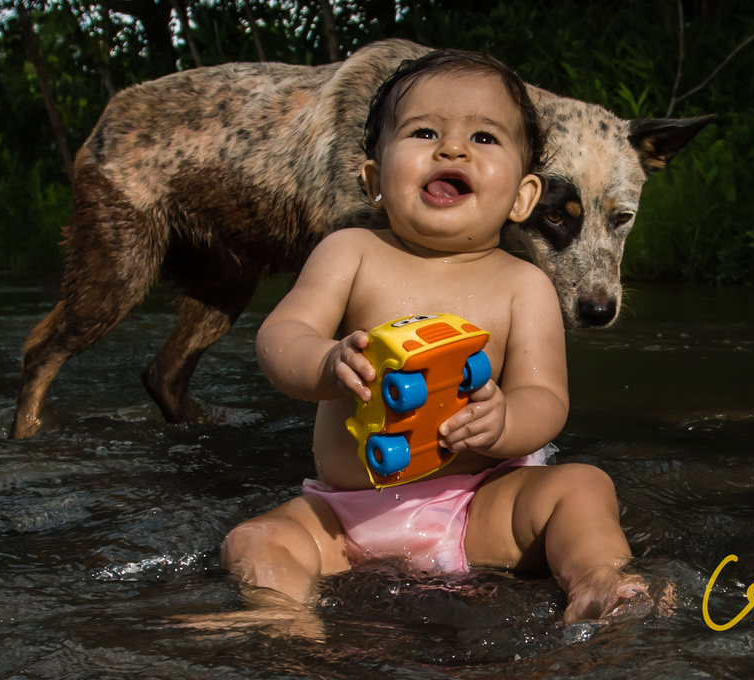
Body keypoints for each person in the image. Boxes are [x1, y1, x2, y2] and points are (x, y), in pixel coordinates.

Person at [221, 49, 648, 623]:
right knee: (256, 540)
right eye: (424, 132)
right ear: (373, 179)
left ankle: (599, 579)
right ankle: (285, 617)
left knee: (581, 487)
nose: (453, 149)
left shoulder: (524, 285)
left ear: (524, 197)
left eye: (485, 137)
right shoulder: (350, 254)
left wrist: (504, 421)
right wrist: (325, 363)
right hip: (348, 517)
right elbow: (281, 337)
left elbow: (545, 400)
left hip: (479, 504)